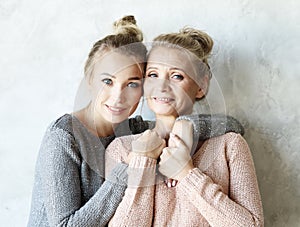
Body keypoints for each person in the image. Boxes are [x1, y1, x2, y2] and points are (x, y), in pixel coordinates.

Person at [27, 15, 244, 226]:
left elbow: (234, 125)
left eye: (132, 84)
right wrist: (130, 166)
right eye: (107, 81)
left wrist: (189, 125)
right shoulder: (64, 138)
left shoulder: (130, 129)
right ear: (89, 80)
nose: (118, 97)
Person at [105, 27, 264, 226]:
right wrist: (142, 162)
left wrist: (187, 174)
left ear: (201, 86)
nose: (161, 86)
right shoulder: (121, 148)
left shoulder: (229, 145)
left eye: (177, 76)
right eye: (153, 74)